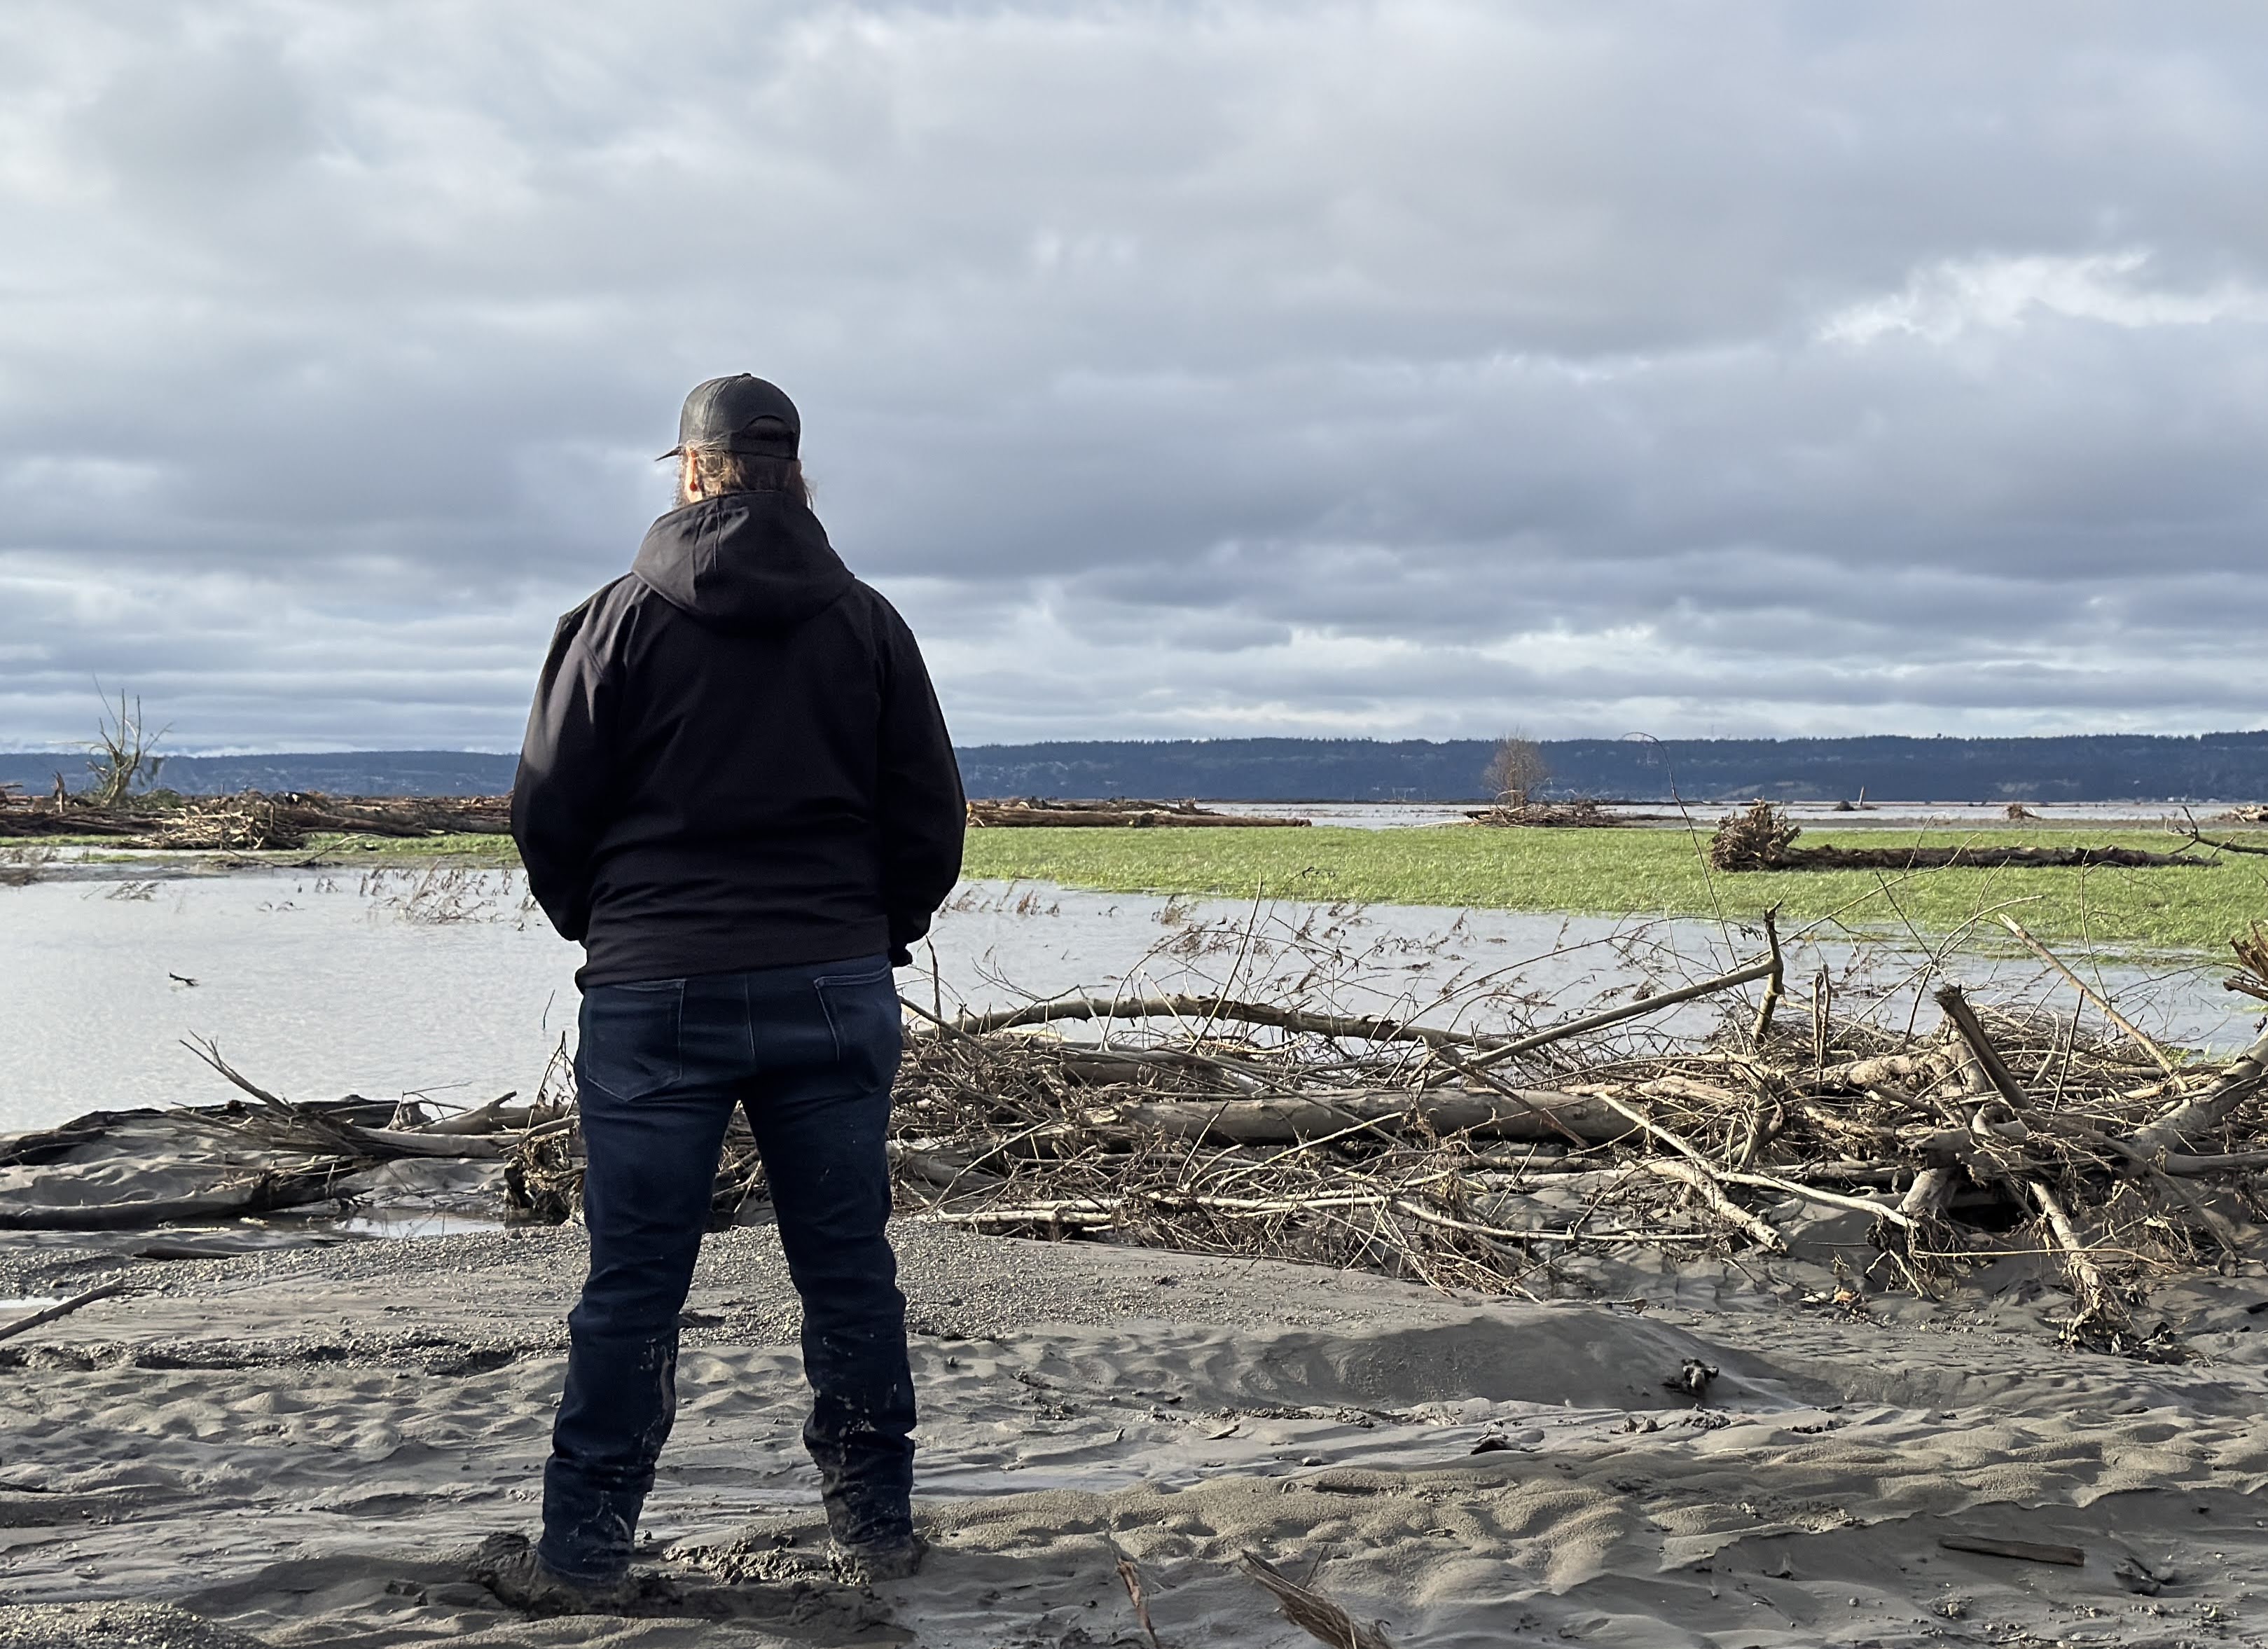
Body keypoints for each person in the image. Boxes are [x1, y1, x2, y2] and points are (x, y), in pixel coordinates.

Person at [500, 374, 964, 1602]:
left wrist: (609, 930)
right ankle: (874, 1527)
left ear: (690, 470)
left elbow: (547, 811)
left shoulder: (611, 622)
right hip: (828, 980)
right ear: (794, 474)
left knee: (632, 1280)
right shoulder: (866, 623)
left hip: (656, 986)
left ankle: (584, 1550)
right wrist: (874, 933)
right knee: (848, 1268)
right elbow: (928, 818)